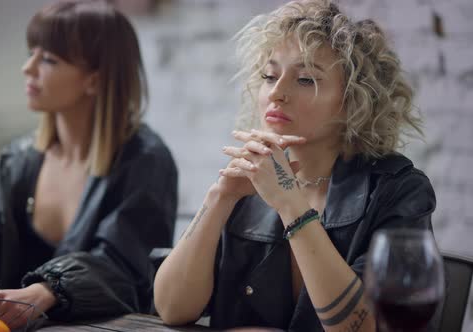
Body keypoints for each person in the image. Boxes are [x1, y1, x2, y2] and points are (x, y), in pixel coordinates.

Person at [0, 0, 178, 328]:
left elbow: (125, 265)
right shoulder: (16, 161)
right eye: (31, 53)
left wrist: (49, 290)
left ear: (95, 79)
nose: (28, 67)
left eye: (49, 59)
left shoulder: (145, 159)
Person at [153, 1, 435, 331]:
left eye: (304, 79)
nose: (277, 92)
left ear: (353, 102)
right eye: (269, 76)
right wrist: (220, 198)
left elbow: (361, 327)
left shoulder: (398, 190)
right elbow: (172, 309)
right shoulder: (250, 181)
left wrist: (290, 203)